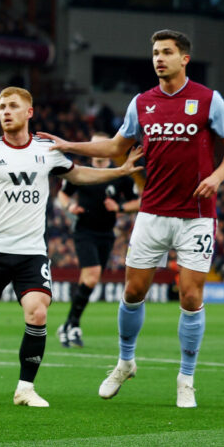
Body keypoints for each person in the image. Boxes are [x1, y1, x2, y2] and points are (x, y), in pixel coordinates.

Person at [39, 30, 224, 408]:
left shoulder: (208, 100)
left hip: (196, 216)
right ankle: (125, 362)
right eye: (155, 52)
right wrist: (70, 146)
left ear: (185, 58)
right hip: (152, 211)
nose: (159, 58)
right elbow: (117, 146)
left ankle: (186, 377)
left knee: (190, 295)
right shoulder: (142, 103)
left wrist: (216, 177)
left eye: (166, 52)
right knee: (133, 292)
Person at [0, 87, 143, 408]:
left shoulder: (47, 150)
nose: (5, 111)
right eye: (1, 107)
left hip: (31, 252)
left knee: (37, 313)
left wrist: (117, 171)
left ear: (28, 112)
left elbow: (77, 175)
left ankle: (25, 388)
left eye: (12, 106)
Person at [55, 135, 140, 348]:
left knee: (89, 280)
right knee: (92, 276)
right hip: (84, 231)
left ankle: (68, 325)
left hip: (106, 233)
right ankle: (72, 325)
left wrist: (119, 208)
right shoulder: (79, 172)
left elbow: (139, 201)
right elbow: (63, 195)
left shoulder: (120, 176)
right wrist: (69, 207)